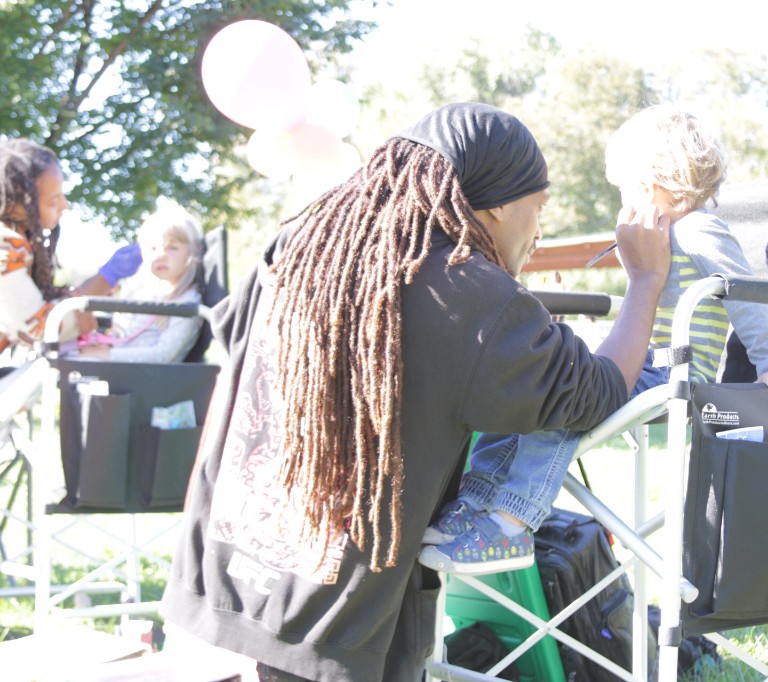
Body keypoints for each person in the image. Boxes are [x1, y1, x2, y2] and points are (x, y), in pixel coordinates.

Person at [160, 102, 670, 681]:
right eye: (539, 206)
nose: (540, 228)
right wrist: (647, 282)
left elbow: (231, 329)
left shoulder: (307, 240)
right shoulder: (468, 293)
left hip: (221, 574)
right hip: (333, 623)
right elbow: (594, 390)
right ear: (500, 203)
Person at [419, 104, 768, 575]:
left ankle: (513, 522)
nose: (623, 200)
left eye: (626, 188)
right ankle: (476, 502)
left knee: (560, 405)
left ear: (653, 183)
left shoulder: (699, 229)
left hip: (676, 374)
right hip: (649, 366)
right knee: (524, 389)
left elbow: (745, 294)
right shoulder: (661, 235)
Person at [0, 138, 141, 360]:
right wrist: (105, 279)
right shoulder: (6, 247)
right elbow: (38, 326)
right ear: (17, 206)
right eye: (53, 200)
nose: (65, 205)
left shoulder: (16, 242)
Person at [71, 202, 204, 363]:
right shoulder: (143, 292)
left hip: (145, 378)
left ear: (193, 252)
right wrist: (105, 345)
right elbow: (123, 332)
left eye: (173, 248)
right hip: (120, 363)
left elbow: (163, 355)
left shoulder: (188, 302)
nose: (161, 255)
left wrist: (107, 355)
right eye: (153, 248)